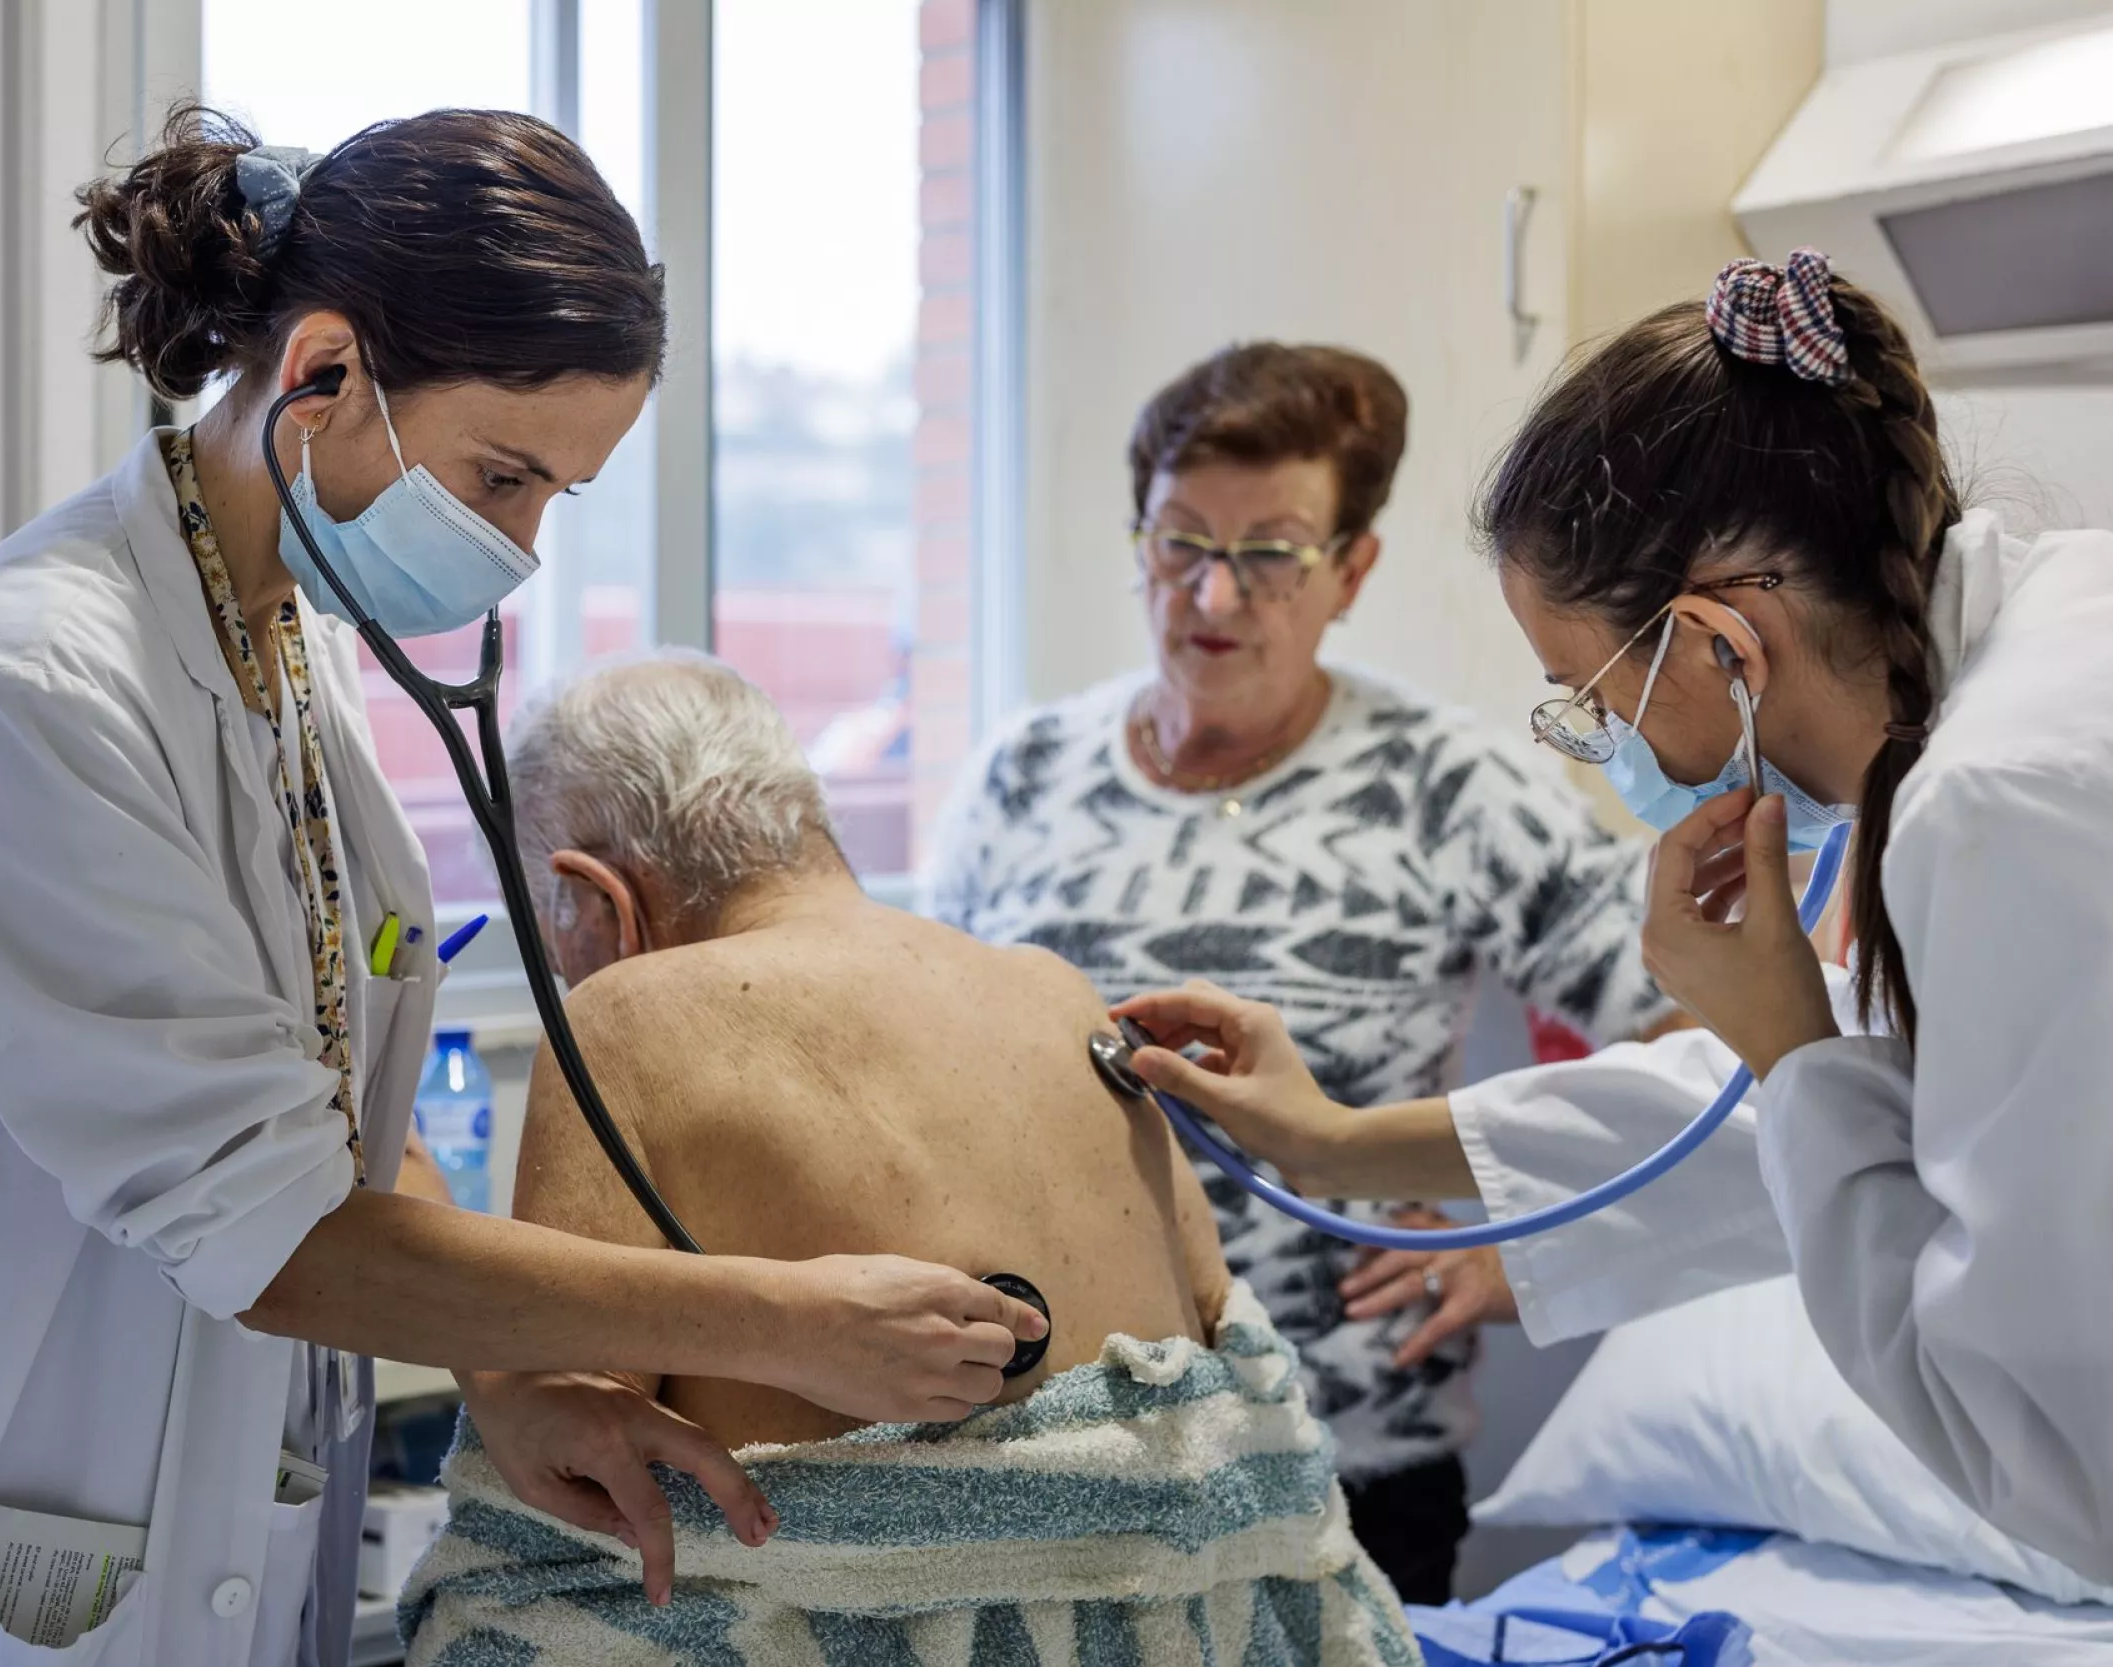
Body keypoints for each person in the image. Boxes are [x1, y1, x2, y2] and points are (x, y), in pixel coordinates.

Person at [0, 106, 1039, 1667]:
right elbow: (278, 1226)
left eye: (549, 500)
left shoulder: (285, 646)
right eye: (500, 476)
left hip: (205, 1548)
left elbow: (331, 1108)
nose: (514, 550)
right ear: (319, 373)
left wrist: (513, 1382)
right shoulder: (36, 682)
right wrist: (782, 1318)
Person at [1115, 251, 2113, 1585]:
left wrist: (1790, 1044)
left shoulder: (2000, 806)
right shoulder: (2033, 650)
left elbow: (2054, 1450)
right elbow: (1843, 1106)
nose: (1601, 746)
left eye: (1586, 696)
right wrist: (1339, 1139)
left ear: (1720, 645)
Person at [403, 652, 1419, 1663]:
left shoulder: (622, 1018)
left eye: (551, 935)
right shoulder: (1054, 991)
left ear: (592, 899)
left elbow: (561, 1471)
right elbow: (1217, 1381)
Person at [927, 342, 1672, 1602]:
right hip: (1047, 1457)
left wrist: (1524, 1246)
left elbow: (1693, 1036)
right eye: (1179, 544)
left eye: (1270, 553)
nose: (1213, 598)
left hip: (1345, 1467)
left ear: (1351, 568)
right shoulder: (1021, 776)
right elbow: (926, 1064)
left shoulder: (1450, 783)